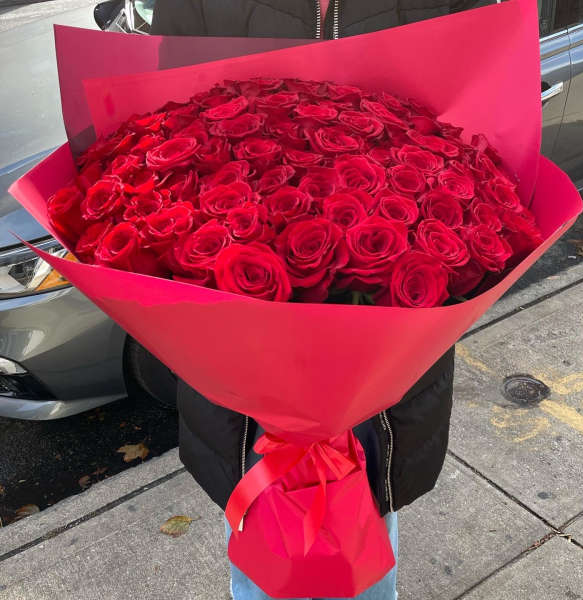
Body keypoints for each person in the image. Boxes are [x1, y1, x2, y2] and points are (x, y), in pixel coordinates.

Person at [150, 2, 486, 598]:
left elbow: (475, 141)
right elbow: (167, 125)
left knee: (367, 546)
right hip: (242, 387)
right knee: (262, 554)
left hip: (386, 377)